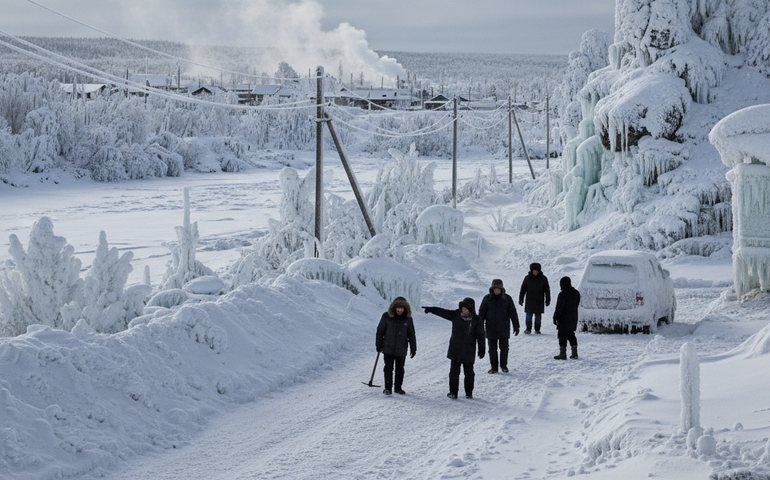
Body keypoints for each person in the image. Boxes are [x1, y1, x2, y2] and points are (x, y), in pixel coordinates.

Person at [423, 298, 485, 399]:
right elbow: (444, 312)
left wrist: (482, 349)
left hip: (468, 351)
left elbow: (481, 335)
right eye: (462, 308)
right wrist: (432, 309)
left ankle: (469, 393)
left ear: (471, 309)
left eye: (466, 309)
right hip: (455, 349)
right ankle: (453, 392)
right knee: (453, 372)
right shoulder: (456, 315)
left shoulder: (476, 320)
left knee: (469, 373)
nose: (463, 310)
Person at [376, 296, 417, 395]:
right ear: (394, 308)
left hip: (401, 349)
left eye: (401, 308)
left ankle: (398, 388)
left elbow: (411, 334)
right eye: (398, 308)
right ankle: (388, 388)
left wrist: (413, 348)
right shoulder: (386, 316)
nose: (399, 310)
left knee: (400, 369)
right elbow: (380, 331)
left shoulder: (408, 319)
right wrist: (379, 344)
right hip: (388, 348)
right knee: (388, 368)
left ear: (405, 309)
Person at [479, 279, 519, 373]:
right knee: (492, 349)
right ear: (492, 289)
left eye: (498, 289)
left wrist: (516, 326)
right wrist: (479, 327)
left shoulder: (507, 298)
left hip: (504, 328)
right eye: (495, 289)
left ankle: (504, 366)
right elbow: (482, 313)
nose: (496, 291)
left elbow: (513, 312)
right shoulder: (487, 299)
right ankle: (494, 367)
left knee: (504, 348)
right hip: (491, 328)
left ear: (502, 289)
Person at [552, 276, 581, 360]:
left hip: (563, 318)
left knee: (562, 335)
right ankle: (574, 353)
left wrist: (555, 317)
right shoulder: (576, 293)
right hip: (573, 317)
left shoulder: (562, 294)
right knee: (571, 334)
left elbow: (559, 307)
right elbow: (577, 304)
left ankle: (563, 354)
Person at [518, 262, 551, 334]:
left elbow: (547, 290)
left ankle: (537, 329)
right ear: (531, 271)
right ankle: (528, 329)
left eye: (537, 271)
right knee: (528, 316)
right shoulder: (527, 278)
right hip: (529, 300)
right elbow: (523, 289)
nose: (535, 272)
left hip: (539, 300)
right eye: (534, 271)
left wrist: (548, 300)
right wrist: (521, 299)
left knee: (538, 317)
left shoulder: (543, 278)